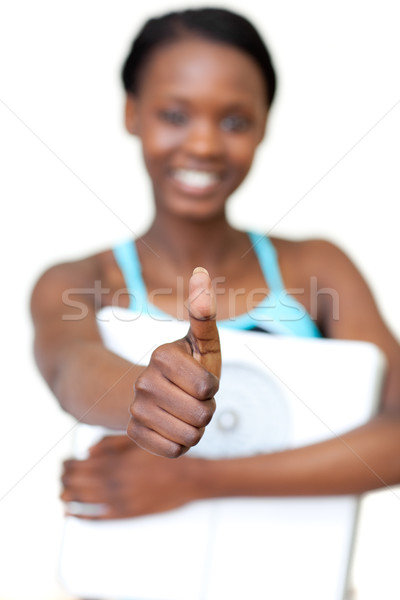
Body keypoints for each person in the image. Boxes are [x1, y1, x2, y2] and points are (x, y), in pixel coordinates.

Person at [31, 7, 400, 524]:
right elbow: (70, 369)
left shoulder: (317, 268)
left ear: (264, 125)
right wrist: (144, 390)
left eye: (233, 121)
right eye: (175, 115)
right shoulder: (78, 282)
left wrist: (199, 478)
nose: (203, 144)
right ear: (132, 113)